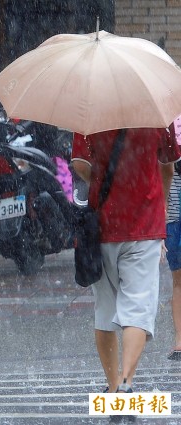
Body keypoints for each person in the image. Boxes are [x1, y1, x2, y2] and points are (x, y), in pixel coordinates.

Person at [71, 127, 180, 398]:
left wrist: (106, 178)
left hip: (104, 226)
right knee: (138, 308)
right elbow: (167, 167)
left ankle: (112, 384)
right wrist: (160, 203)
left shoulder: (89, 113)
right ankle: (127, 383)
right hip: (146, 225)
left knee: (105, 311)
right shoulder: (154, 114)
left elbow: (79, 165)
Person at [165, 162, 181, 361]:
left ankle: (180, 340)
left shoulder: (167, 139)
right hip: (174, 223)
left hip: (173, 223)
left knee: (178, 283)